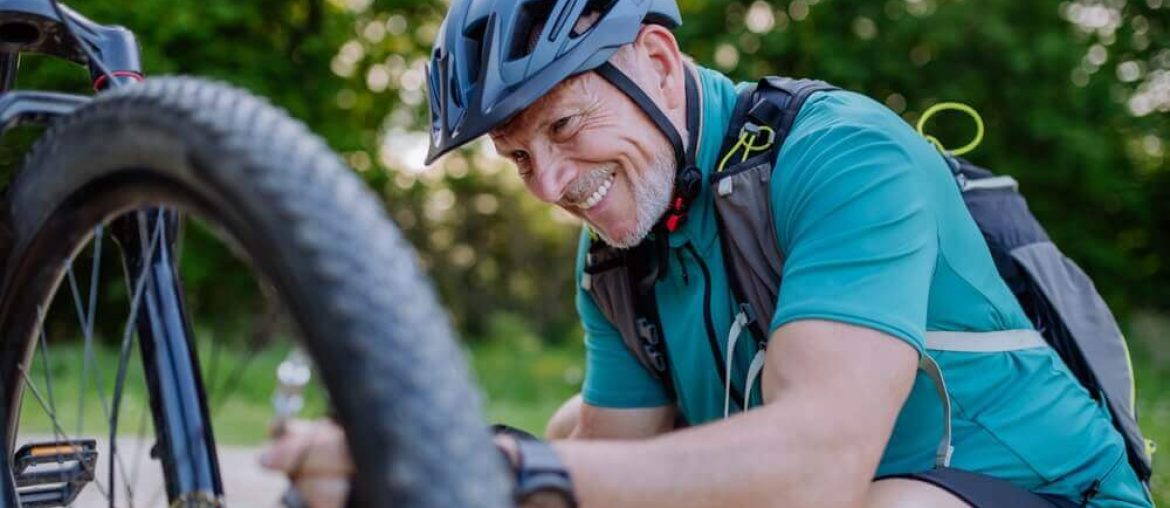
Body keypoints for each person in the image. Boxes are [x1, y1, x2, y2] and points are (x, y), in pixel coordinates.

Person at [261, 0, 1154, 506]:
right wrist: (423, 461)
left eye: (565, 127)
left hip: (1037, 491)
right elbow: (612, 478)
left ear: (655, 58)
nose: (549, 184)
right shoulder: (619, 253)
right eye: (519, 157)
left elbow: (818, 469)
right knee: (575, 433)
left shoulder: (844, 154)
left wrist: (508, 467)